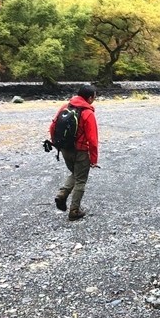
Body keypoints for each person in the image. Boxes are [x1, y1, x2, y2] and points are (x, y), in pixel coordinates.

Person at [50, 84, 100, 221]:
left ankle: (62, 194)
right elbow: (93, 140)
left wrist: (57, 144)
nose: (95, 99)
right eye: (95, 97)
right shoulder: (87, 113)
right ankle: (74, 210)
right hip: (81, 151)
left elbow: (52, 126)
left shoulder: (65, 107)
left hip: (65, 149)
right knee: (81, 180)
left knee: (75, 173)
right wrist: (94, 160)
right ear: (89, 98)